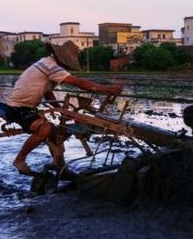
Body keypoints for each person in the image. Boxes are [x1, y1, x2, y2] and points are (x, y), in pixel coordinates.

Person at [6, 41, 122, 175]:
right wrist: (108, 89)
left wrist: (62, 110)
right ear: (62, 59)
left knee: (55, 133)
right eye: (67, 63)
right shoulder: (50, 66)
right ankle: (19, 160)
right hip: (19, 108)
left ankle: (59, 166)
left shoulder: (45, 63)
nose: (67, 66)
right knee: (45, 128)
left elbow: (47, 93)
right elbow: (79, 83)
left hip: (25, 107)